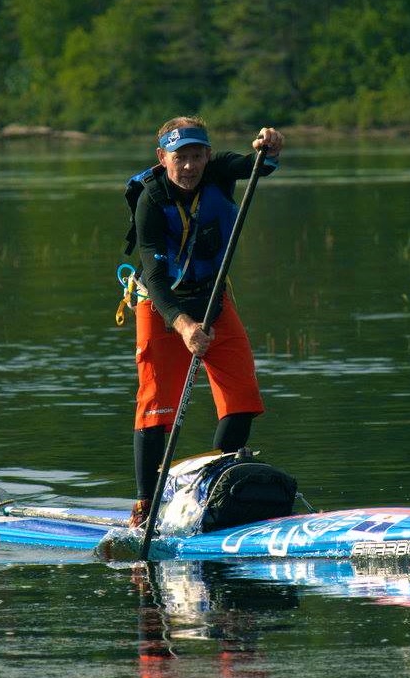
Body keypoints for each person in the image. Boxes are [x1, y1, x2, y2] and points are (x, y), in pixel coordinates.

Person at [125, 116, 283, 528]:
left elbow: (258, 166)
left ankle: (211, 490)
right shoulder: (150, 200)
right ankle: (145, 507)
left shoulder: (219, 169)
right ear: (163, 158)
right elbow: (156, 277)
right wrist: (182, 326)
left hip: (213, 298)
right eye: (181, 158)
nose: (190, 166)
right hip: (161, 306)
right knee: (157, 404)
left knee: (242, 397)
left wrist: (270, 147)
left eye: (197, 156)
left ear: (207, 155)